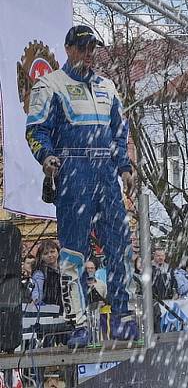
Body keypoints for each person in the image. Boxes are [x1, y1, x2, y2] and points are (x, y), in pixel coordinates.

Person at [25, 25, 138, 347]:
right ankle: (78, 323)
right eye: (83, 48)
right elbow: (35, 130)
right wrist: (46, 157)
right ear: (68, 49)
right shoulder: (50, 85)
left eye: (93, 48)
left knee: (120, 245)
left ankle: (123, 315)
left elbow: (119, 131)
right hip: (73, 169)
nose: (89, 54)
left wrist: (125, 166)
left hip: (105, 171)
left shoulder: (108, 87)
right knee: (74, 252)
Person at [31, 240, 62, 307]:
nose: (50, 255)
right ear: (41, 256)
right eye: (45, 253)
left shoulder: (64, 269)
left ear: (58, 252)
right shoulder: (39, 272)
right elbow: (37, 291)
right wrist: (36, 300)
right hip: (49, 308)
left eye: (52, 251)